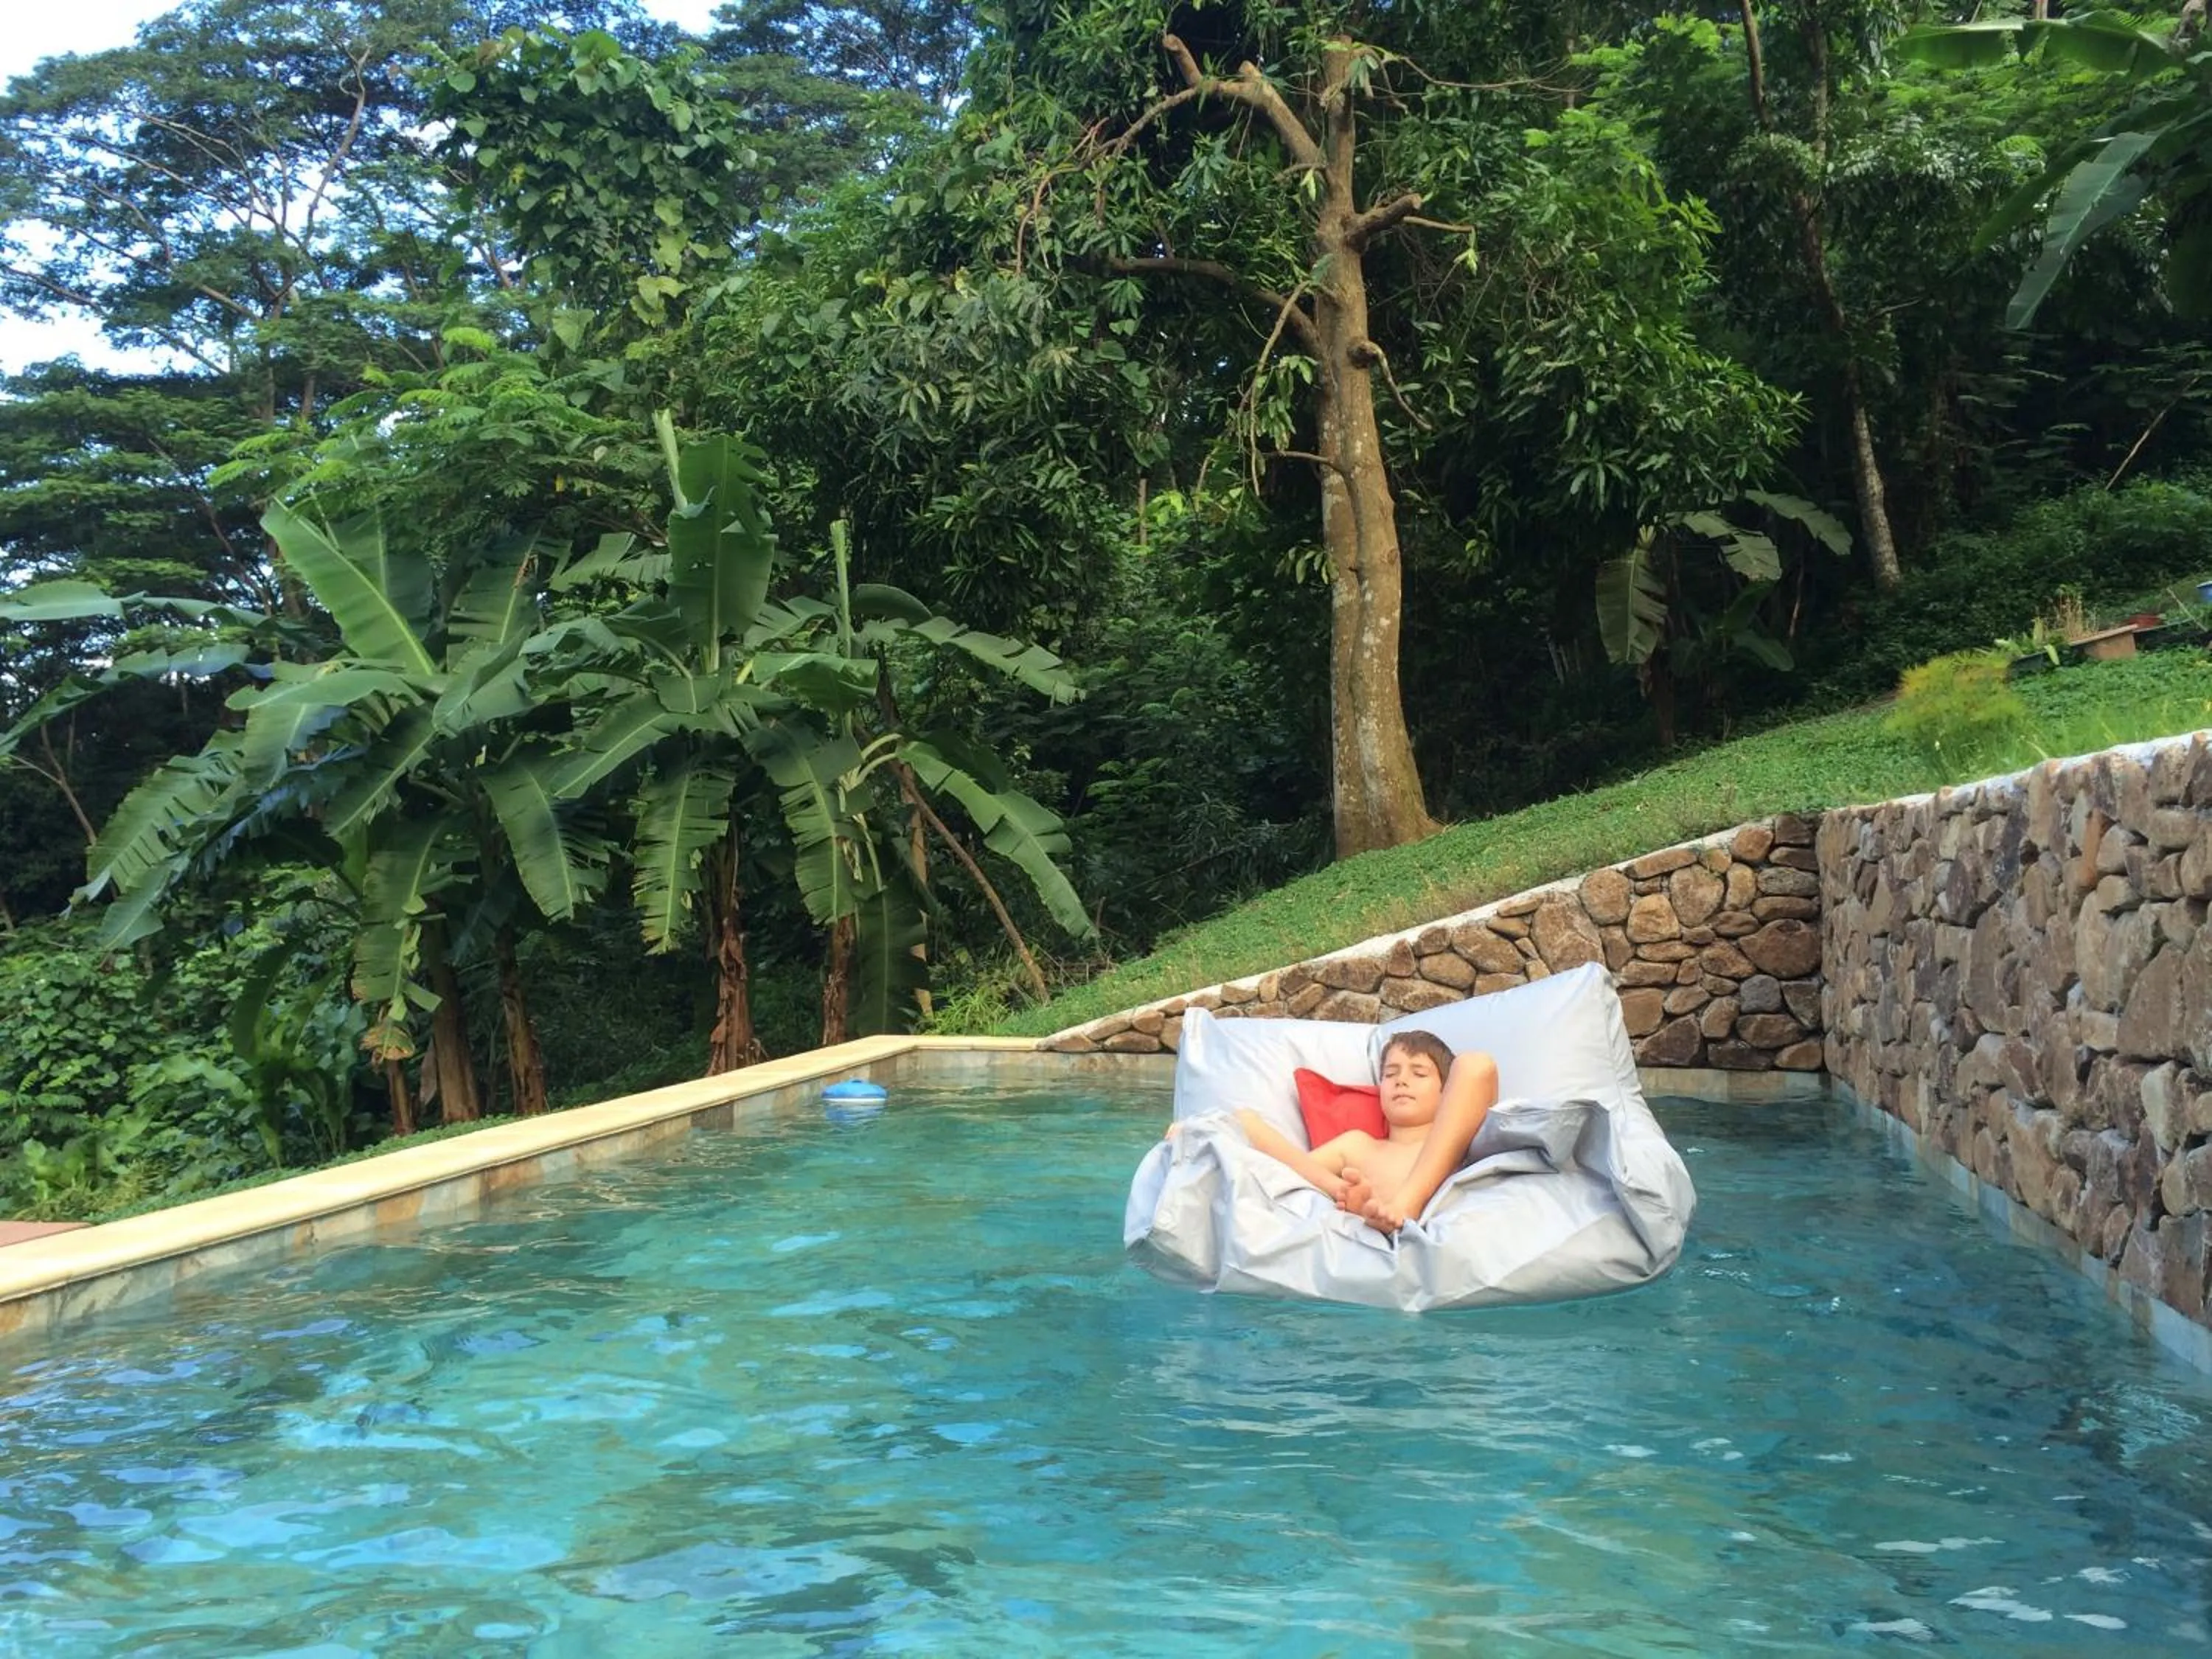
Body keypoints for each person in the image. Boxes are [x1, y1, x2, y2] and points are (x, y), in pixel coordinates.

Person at [1175, 1030, 1500, 1235]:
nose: (1401, 1080)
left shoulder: (1459, 1137)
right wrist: (1204, 1132)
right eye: (1391, 1073)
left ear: (1448, 1092)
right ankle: (1366, 1204)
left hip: (1425, 1222)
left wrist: (1402, 1206)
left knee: (1475, 1062)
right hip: (1364, 1232)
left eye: (1419, 1073)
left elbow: (1477, 1071)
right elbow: (1288, 1170)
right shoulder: (1360, 1147)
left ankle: (1405, 1205)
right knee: (1245, 1119)